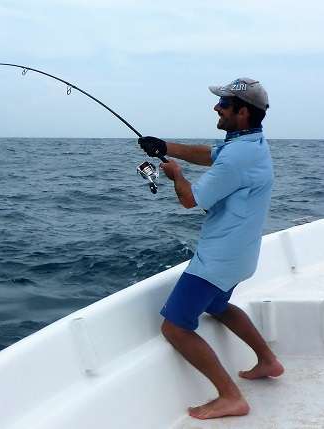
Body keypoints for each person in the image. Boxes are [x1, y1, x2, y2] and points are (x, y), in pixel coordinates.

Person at [138, 78, 284, 420]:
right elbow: (209, 154)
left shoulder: (237, 157)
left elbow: (191, 200)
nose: (216, 108)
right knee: (218, 304)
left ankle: (230, 397)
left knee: (174, 327)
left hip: (219, 257)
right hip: (241, 253)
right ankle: (268, 360)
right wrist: (165, 146)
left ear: (242, 112)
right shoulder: (249, 142)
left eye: (224, 104)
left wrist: (176, 175)